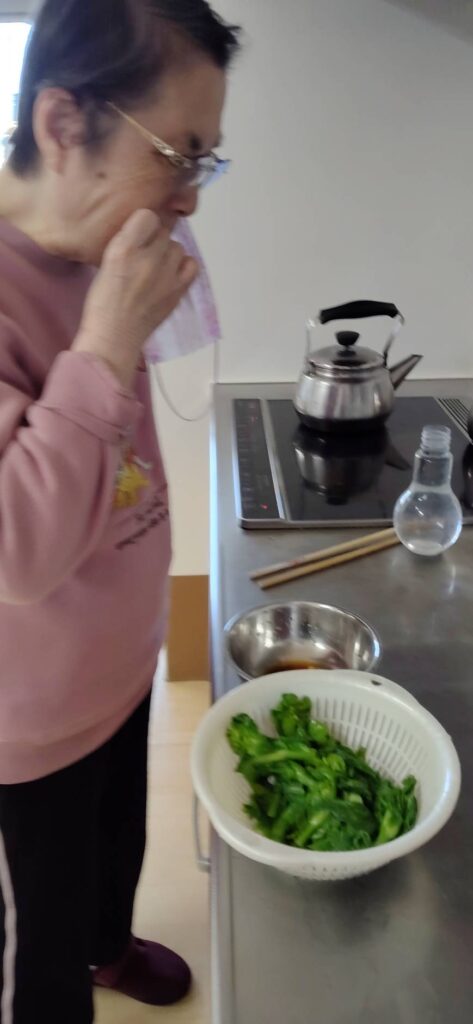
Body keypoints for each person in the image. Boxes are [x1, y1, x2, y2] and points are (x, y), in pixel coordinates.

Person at [0, 1, 240, 1021]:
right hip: (25, 719)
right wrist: (103, 343)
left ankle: (107, 943)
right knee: (38, 949)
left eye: (205, 162)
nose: (187, 198)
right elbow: (16, 548)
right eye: (177, 155)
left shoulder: (102, 246)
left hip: (119, 663)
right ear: (63, 123)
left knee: (114, 854)